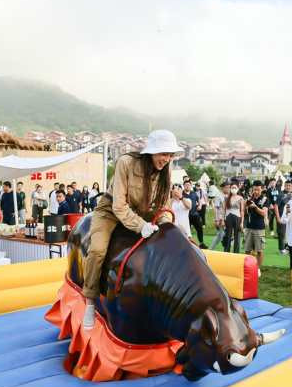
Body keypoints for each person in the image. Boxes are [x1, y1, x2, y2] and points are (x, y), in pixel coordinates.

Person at [81, 129, 181, 331]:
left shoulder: (165, 170)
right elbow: (118, 205)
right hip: (110, 213)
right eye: (164, 154)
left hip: (143, 216)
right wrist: (141, 225)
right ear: (152, 151)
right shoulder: (125, 163)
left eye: (171, 155)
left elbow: (162, 207)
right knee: (98, 250)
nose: (167, 159)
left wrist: (169, 227)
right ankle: (90, 301)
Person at [243, 180, 269, 275]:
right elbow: (245, 214)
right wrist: (245, 207)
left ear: (262, 189)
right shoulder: (250, 198)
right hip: (249, 226)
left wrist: (255, 207)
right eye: (254, 190)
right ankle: (248, 268)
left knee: (259, 250)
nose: (256, 192)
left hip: (259, 227)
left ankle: (257, 269)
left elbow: (263, 213)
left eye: (258, 189)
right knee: (247, 249)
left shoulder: (265, 199)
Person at [183, 179, 207, 249]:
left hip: (195, 213)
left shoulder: (193, 193)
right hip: (186, 215)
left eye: (188, 185)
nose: (187, 186)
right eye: (186, 185)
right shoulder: (182, 194)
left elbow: (198, 199)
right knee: (187, 230)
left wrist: (199, 205)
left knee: (199, 228)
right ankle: (187, 244)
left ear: (191, 186)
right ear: (184, 186)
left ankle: (201, 243)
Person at [223, 182, 245, 254]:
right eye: (232, 188)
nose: (234, 189)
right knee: (228, 235)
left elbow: (242, 211)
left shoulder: (240, 198)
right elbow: (224, 210)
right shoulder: (226, 197)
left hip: (237, 217)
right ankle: (226, 252)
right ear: (230, 189)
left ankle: (236, 253)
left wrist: (242, 222)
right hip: (229, 217)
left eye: (235, 188)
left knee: (237, 237)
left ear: (238, 189)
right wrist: (223, 220)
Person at [209, 182, 230, 250]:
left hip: (227, 217)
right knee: (223, 236)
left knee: (219, 235)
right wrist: (216, 219)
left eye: (229, 188)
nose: (228, 189)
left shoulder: (228, 196)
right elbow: (216, 208)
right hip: (221, 218)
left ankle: (211, 249)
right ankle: (226, 249)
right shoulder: (219, 196)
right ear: (222, 188)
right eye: (226, 188)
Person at [274, 180, 292, 255]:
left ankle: (287, 246)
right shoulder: (281, 195)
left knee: (289, 232)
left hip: (290, 217)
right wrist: (278, 217)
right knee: (281, 233)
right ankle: (281, 249)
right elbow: (276, 206)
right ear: (284, 186)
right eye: (286, 185)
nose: (288, 187)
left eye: (289, 185)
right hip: (282, 216)